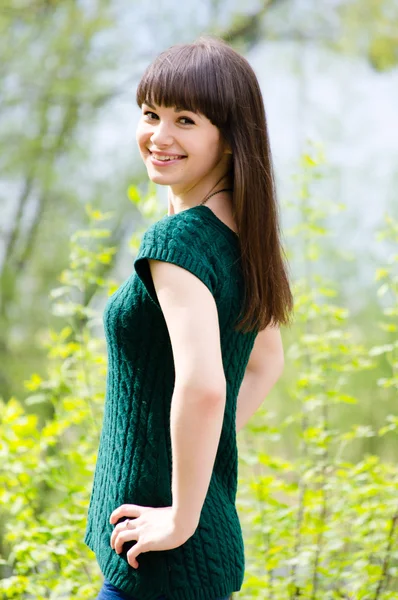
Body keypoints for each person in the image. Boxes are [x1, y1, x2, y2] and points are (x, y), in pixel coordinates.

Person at [84, 35, 294, 600]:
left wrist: (178, 515)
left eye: (186, 120)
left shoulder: (178, 243)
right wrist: (193, 463)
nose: (159, 135)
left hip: (155, 558)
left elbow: (204, 387)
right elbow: (263, 364)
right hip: (200, 551)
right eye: (151, 114)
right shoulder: (245, 238)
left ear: (229, 139)